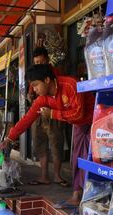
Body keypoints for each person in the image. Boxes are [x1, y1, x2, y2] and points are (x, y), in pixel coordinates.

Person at [0, 64, 95, 210]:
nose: (34, 89)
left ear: (47, 80)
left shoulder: (70, 84)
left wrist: (53, 114)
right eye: (32, 86)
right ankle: (77, 195)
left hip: (95, 119)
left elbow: (78, 113)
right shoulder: (43, 99)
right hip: (79, 125)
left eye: (36, 85)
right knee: (77, 159)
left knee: (95, 158)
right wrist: (8, 139)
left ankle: (96, 196)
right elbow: (27, 119)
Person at [28, 47, 66, 186]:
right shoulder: (34, 76)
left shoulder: (55, 73)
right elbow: (31, 93)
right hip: (38, 114)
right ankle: (43, 176)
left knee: (56, 143)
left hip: (54, 113)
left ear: (47, 59)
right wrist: (30, 95)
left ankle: (57, 176)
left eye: (41, 61)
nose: (39, 64)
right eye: (36, 62)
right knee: (40, 143)